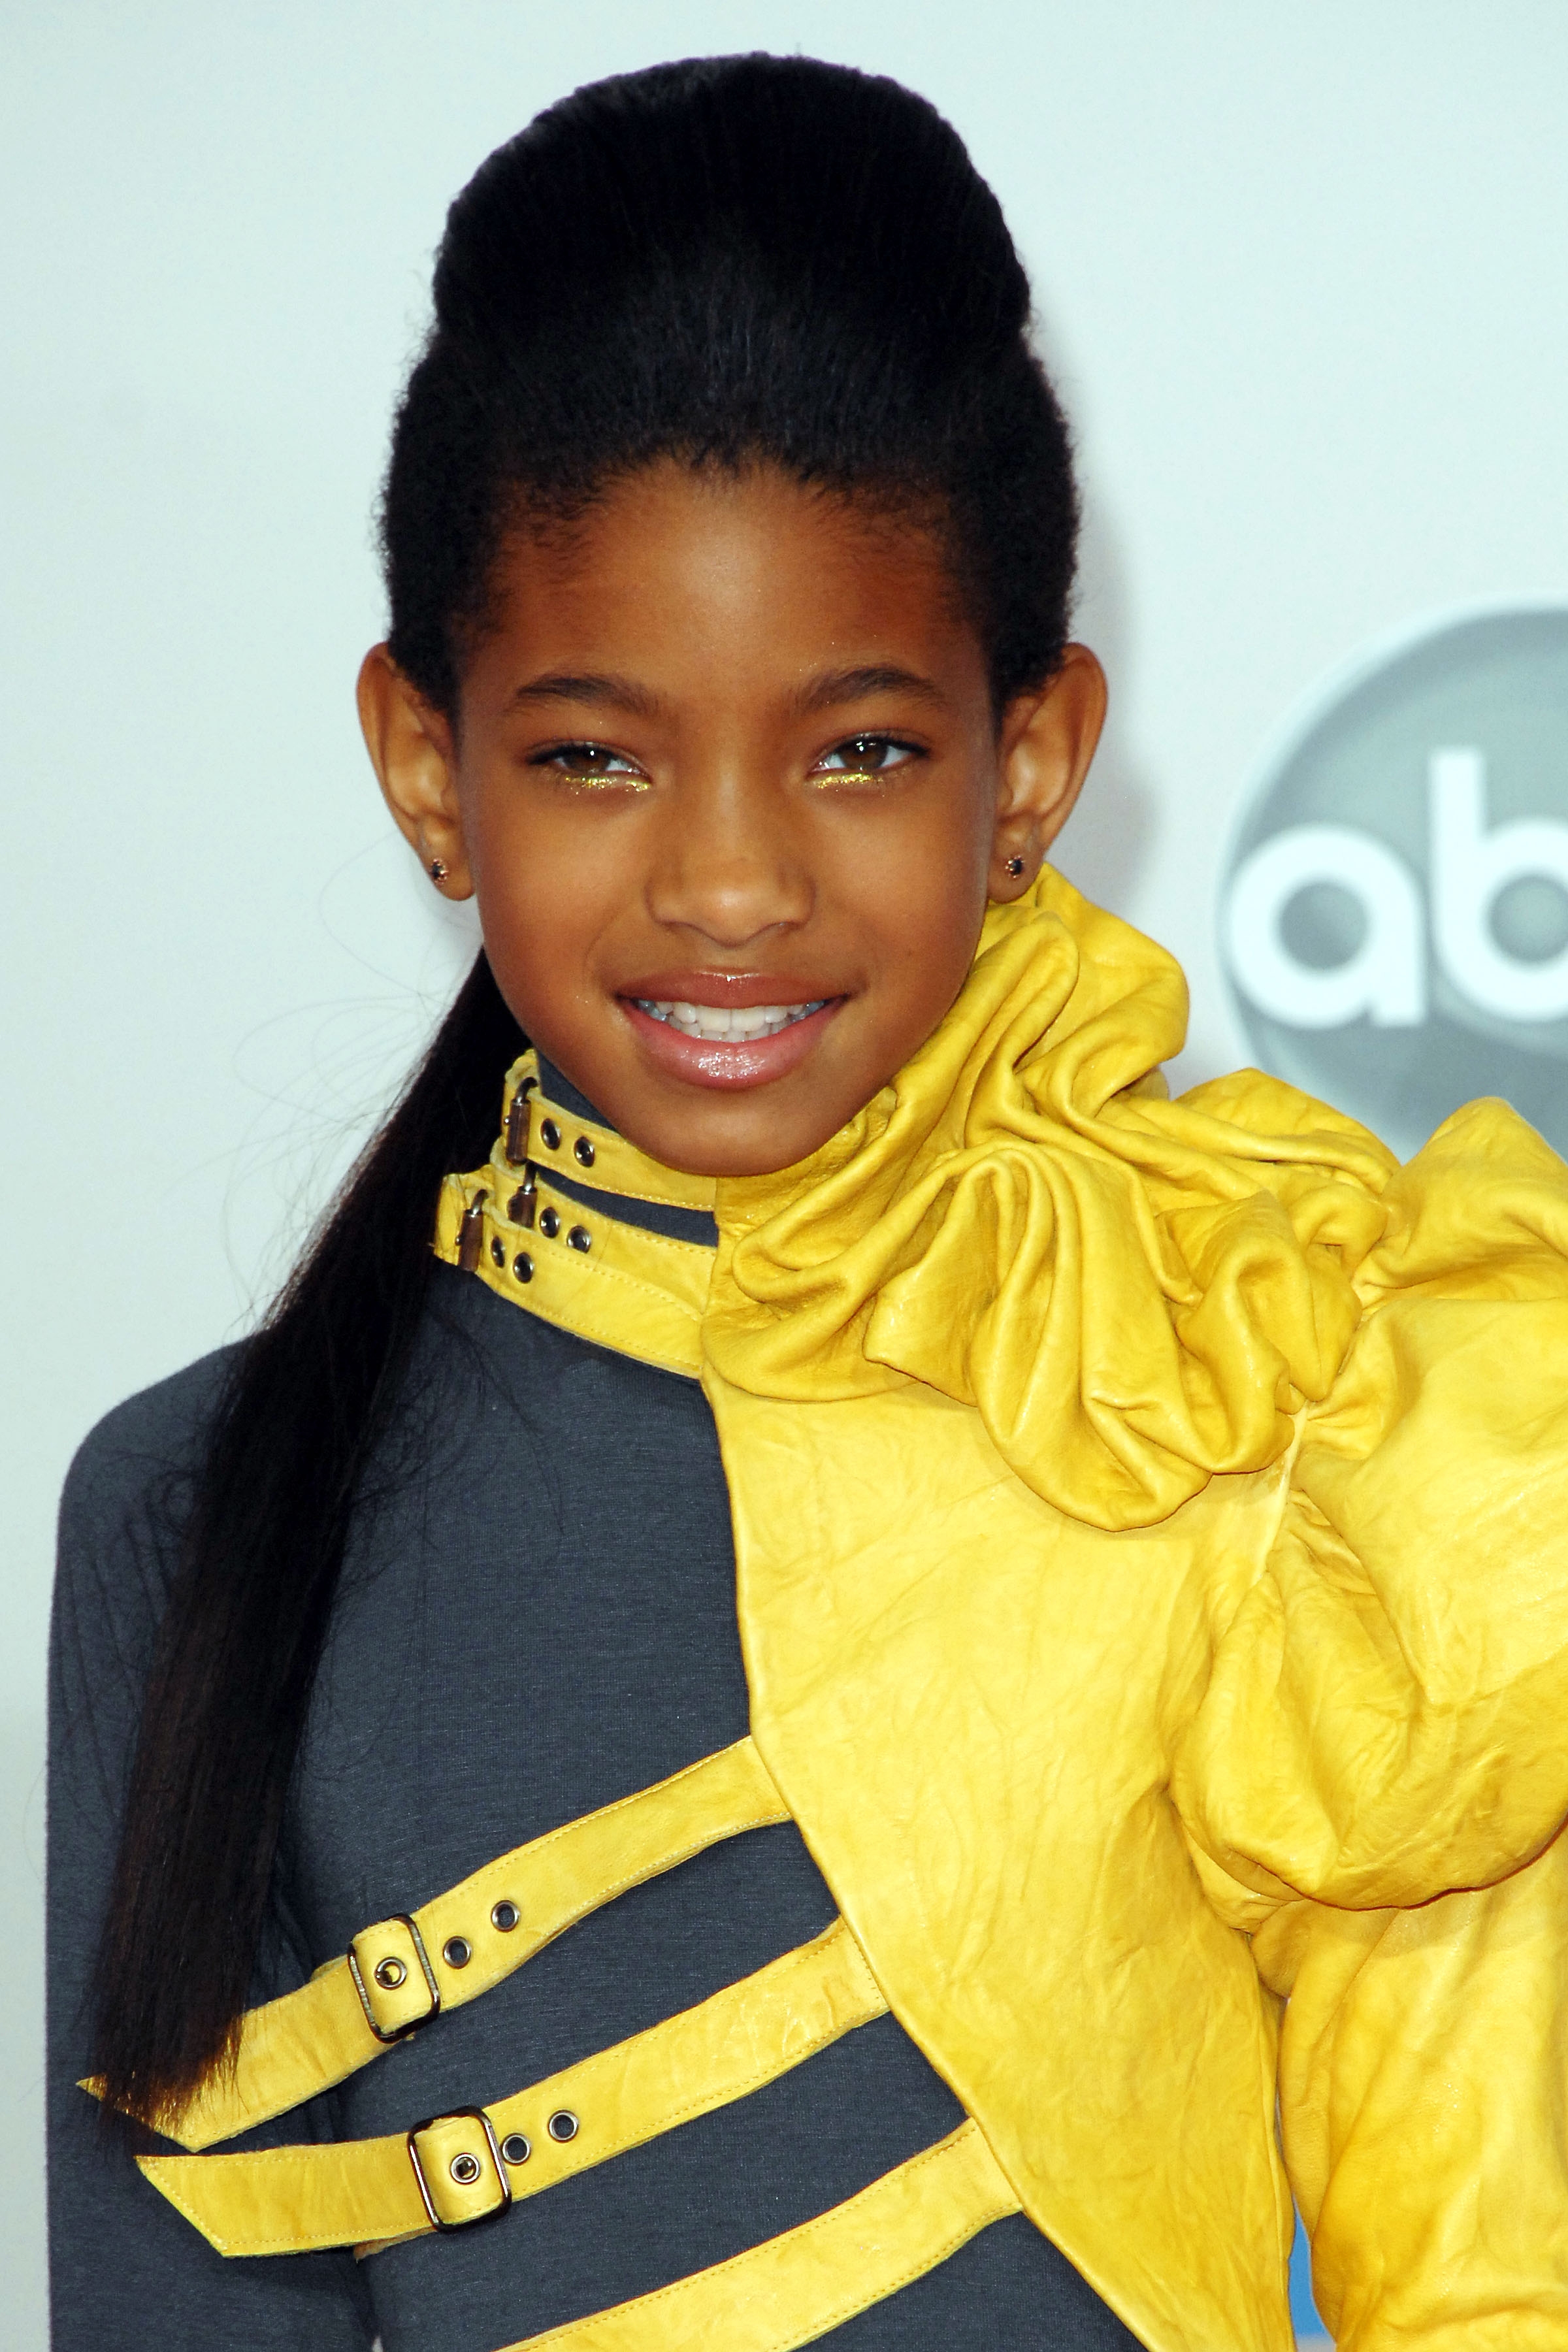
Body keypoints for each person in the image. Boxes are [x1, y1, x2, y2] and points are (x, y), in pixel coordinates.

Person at [46, 52, 1568, 2352]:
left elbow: (1492, 2286)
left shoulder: (1263, 1382)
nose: (734, 881)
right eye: (593, 757)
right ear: (424, 767)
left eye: (861, 748)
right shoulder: (191, 1509)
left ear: (1033, 761)